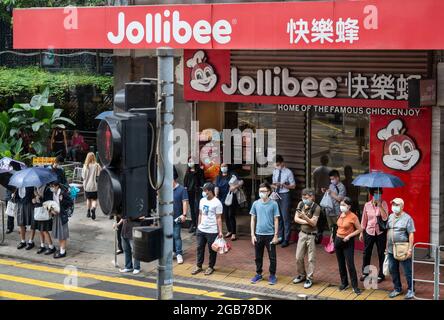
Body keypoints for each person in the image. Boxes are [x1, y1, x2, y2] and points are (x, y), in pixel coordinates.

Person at [250, 182, 280, 285]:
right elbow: (253, 219)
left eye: (263, 191)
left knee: (272, 257)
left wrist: (276, 235)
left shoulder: (274, 204)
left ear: (269, 192)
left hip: (270, 235)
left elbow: (276, 220)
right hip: (258, 234)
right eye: (260, 191)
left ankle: (272, 275)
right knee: (258, 256)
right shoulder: (256, 204)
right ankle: (258, 274)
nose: (261, 193)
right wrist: (252, 235)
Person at [191, 182, 223, 276]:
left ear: (209, 191)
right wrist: (198, 226)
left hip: (212, 230)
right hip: (201, 229)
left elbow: (219, 218)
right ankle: (198, 266)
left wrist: (220, 231)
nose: (203, 192)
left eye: (205, 190)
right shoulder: (202, 200)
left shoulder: (217, 203)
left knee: (212, 250)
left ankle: (210, 267)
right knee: (199, 248)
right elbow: (200, 214)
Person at [387, 198, 415, 300]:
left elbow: (411, 234)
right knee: (392, 269)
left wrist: (410, 249)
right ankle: (397, 288)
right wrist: (386, 247)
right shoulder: (390, 216)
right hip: (391, 248)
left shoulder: (407, 218)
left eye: (397, 204)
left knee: (407, 271)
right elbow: (388, 232)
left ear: (402, 206)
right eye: (393, 204)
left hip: (403, 249)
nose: (394, 206)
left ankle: (411, 290)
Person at [293, 188, 321, 289]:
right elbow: (296, 219)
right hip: (302, 234)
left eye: (307, 197)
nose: (304, 199)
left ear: (312, 197)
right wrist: (307, 221)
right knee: (298, 257)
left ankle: (309, 278)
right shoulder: (300, 204)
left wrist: (304, 217)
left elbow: (314, 223)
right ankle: (301, 275)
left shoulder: (316, 208)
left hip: (312, 235)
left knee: (311, 259)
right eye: (303, 197)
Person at [334, 197, 362, 295]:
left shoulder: (353, 216)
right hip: (338, 240)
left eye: (344, 205)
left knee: (350, 264)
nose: (341, 207)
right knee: (340, 263)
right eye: (341, 205)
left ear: (349, 206)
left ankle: (355, 286)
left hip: (347, 241)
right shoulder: (340, 214)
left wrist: (349, 236)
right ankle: (344, 283)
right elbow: (338, 227)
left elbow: (359, 229)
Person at [360, 188, 388, 283]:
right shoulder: (367, 205)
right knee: (367, 252)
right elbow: (364, 219)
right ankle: (365, 272)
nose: (377, 195)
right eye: (376, 193)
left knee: (381, 253)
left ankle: (381, 274)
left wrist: (380, 206)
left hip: (380, 232)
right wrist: (361, 232)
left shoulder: (384, 203)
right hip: (369, 231)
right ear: (372, 194)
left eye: (379, 193)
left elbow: (385, 218)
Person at [272, 155, 296, 247]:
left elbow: (293, 186)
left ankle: (286, 239)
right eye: (276, 165)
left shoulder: (288, 172)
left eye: (278, 164)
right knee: (278, 217)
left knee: (285, 217)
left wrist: (284, 185)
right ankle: (280, 237)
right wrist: (275, 185)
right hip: (276, 194)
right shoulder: (275, 171)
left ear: (282, 163)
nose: (277, 166)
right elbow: (273, 184)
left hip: (285, 194)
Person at [215, 163, 243, 241]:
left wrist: (234, 186)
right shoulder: (219, 177)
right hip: (222, 198)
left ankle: (234, 233)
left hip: (231, 197)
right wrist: (216, 195)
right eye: (222, 166)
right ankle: (229, 231)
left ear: (228, 167)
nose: (224, 168)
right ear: (220, 168)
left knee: (231, 215)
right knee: (226, 215)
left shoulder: (232, 174)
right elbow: (216, 186)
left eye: (225, 166)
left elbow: (241, 182)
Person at [48, 181, 72, 258]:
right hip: (56, 215)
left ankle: (63, 251)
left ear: (57, 186)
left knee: (62, 234)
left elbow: (70, 202)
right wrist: (51, 210)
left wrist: (62, 200)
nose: (51, 188)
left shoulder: (62, 193)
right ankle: (61, 248)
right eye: (50, 186)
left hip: (62, 216)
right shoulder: (53, 193)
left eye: (52, 186)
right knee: (59, 233)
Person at [321, 169, 346, 239]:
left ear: (337, 177)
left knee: (338, 228)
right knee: (331, 228)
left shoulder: (342, 187)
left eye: (333, 179)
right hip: (329, 211)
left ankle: (337, 242)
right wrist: (325, 191)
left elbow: (339, 199)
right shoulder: (331, 185)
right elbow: (328, 196)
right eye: (331, 179)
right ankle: (332, 241)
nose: (332, 181)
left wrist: (331, 193)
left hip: (337, 212)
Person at [32, 185, 56, 255]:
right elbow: (35, 199)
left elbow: (49, 201)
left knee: (45, 230)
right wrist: (34, 200)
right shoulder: (36, 187)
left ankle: (51, 247)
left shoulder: (47, 188)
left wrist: (39, 197)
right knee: (40, 229)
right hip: (38, 210)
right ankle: (42, 245)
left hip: (45, 211)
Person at [183, 156, 205, 235]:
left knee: (197, 209)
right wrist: (185, 189)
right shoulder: (187, 171)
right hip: (190, 192)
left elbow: (202, 181)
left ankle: (198, 225)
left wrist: (202, 189)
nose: (190, 163)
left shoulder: (199, 171)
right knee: (192, 209)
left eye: (192, 161)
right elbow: (185, 182)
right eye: (189, 161)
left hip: (197, 192)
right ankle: (193, 225)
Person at [312, 155, 331, 243]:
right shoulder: (329, 171)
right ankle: (322, 229)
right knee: (325, 213)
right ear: (327, 161)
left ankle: (318, 230)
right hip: (326, 195)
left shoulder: (316, 170)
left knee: (318, 213)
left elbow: (314, 183)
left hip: (318, 194)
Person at [173, 169, 189, 264]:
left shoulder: (182, 189)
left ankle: (179, 254)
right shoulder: (166, 189)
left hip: (177, 217)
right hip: (167, 217)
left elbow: (185, 202)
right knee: (169, 236)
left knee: (176, 235)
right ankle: (173, 251)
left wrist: (184, 214)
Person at [82, 152, 101, 220]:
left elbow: (83, 176)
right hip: (94, 186)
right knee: (94, 200)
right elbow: (99, 175)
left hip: (87, 186)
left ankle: (88, 212)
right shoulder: (97, 165)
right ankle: (93, 208)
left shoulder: (85, 165)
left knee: (88, 199)